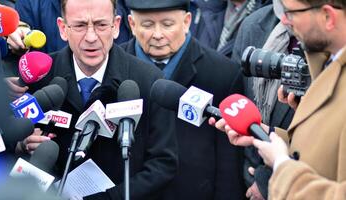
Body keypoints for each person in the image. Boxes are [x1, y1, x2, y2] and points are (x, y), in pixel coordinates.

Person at [6, 0, 178, 199]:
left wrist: (109, 198)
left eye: (101, 25)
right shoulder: (39, 77)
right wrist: (21, 144)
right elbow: (2, 142)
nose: (91, 37)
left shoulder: (149, 80)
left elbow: (163, 163)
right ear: (63, 28)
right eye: (79, 25)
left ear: (116, 26)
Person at [212, 0, 346, 199]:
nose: (283, 20)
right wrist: (269, 135)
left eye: (291, 13)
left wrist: (281, 165)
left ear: (328, 16)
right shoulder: (329, 61)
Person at [121, 0, 246, 199]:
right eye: (147, 25)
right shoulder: (115, 69)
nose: (158, 34)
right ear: (132, 24)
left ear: (187, 21)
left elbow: (228, 168)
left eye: (168, 24)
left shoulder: (223, 74)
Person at [231, 0, 296, 199]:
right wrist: (255, 179)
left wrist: (269, 181)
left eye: (294, 13)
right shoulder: (254, 24)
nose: (286, 18)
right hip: (249, 177)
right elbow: (239, 97)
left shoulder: (329, 41)